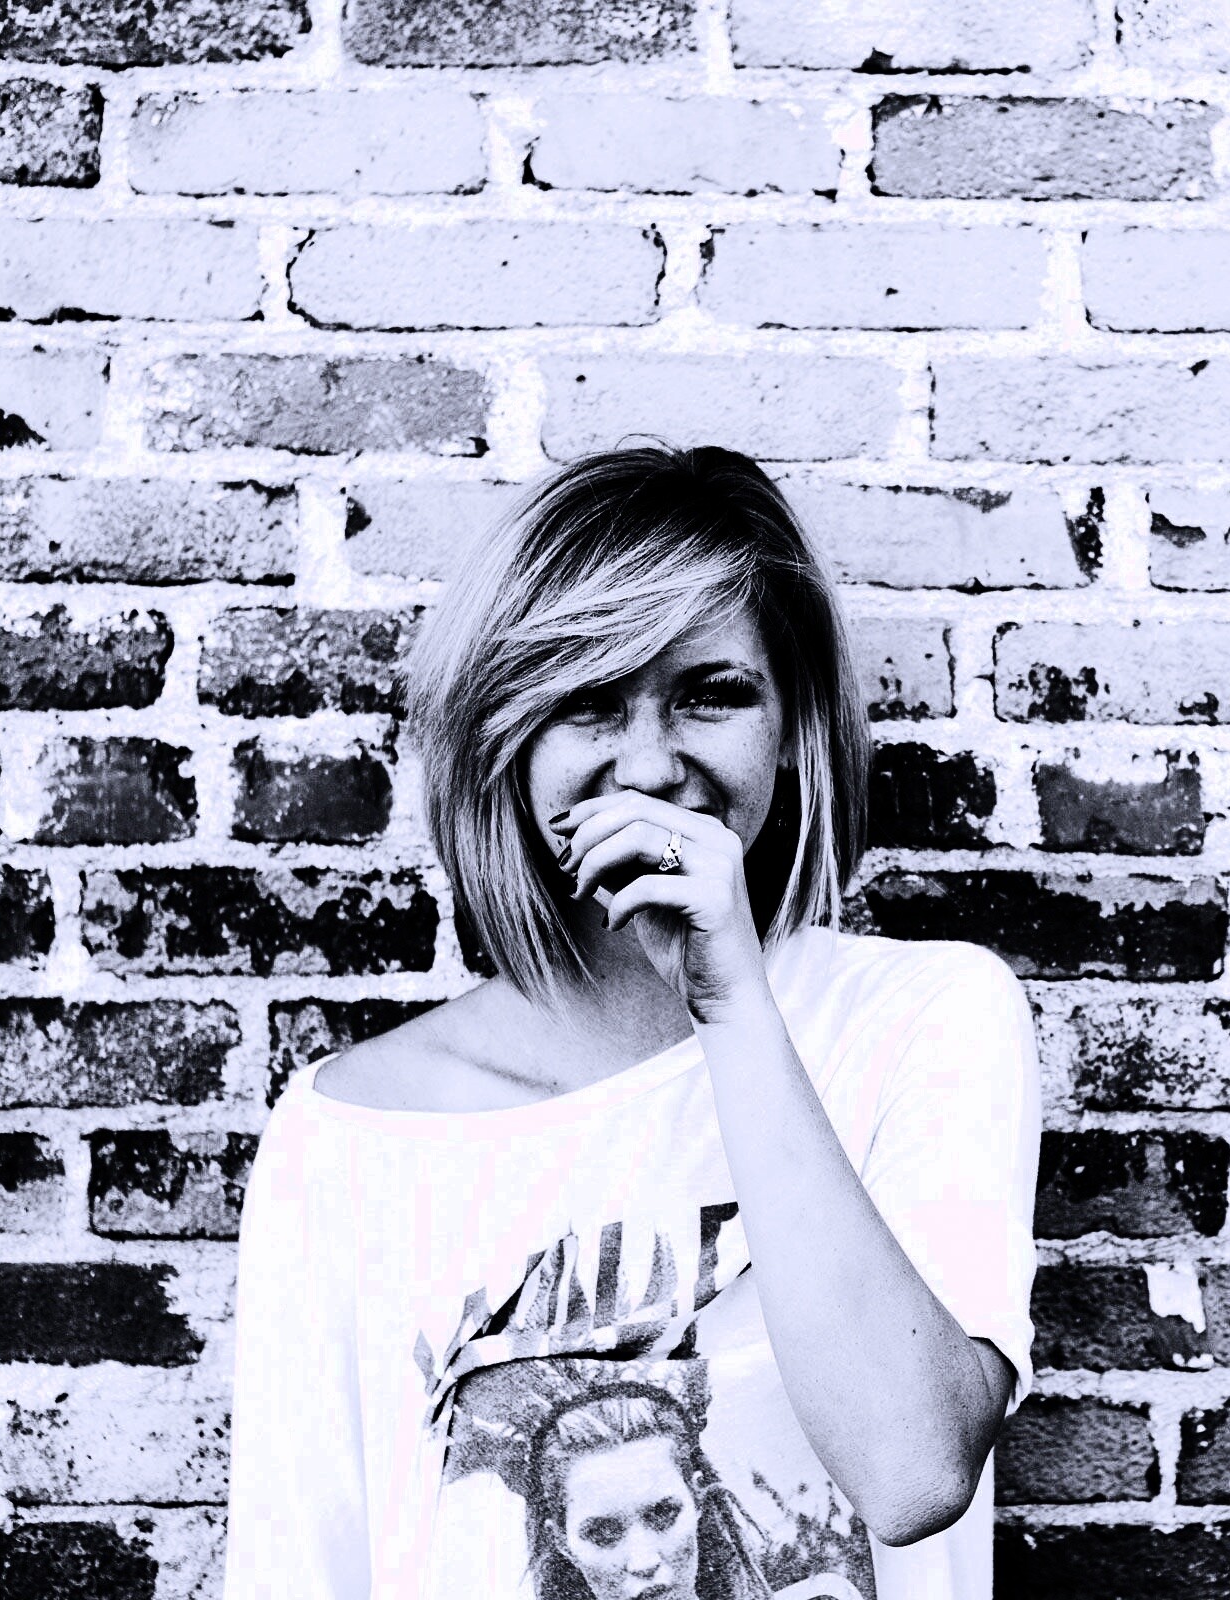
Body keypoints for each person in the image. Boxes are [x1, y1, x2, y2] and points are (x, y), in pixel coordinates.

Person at [224, 444, 1042, 1600]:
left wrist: (728, 998)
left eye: (712, 692)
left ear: (790, 724)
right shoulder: (348, 1136)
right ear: (506, 733)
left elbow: (912, 1472)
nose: (651, 765)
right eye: (589, 700)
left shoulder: (922, 1022)